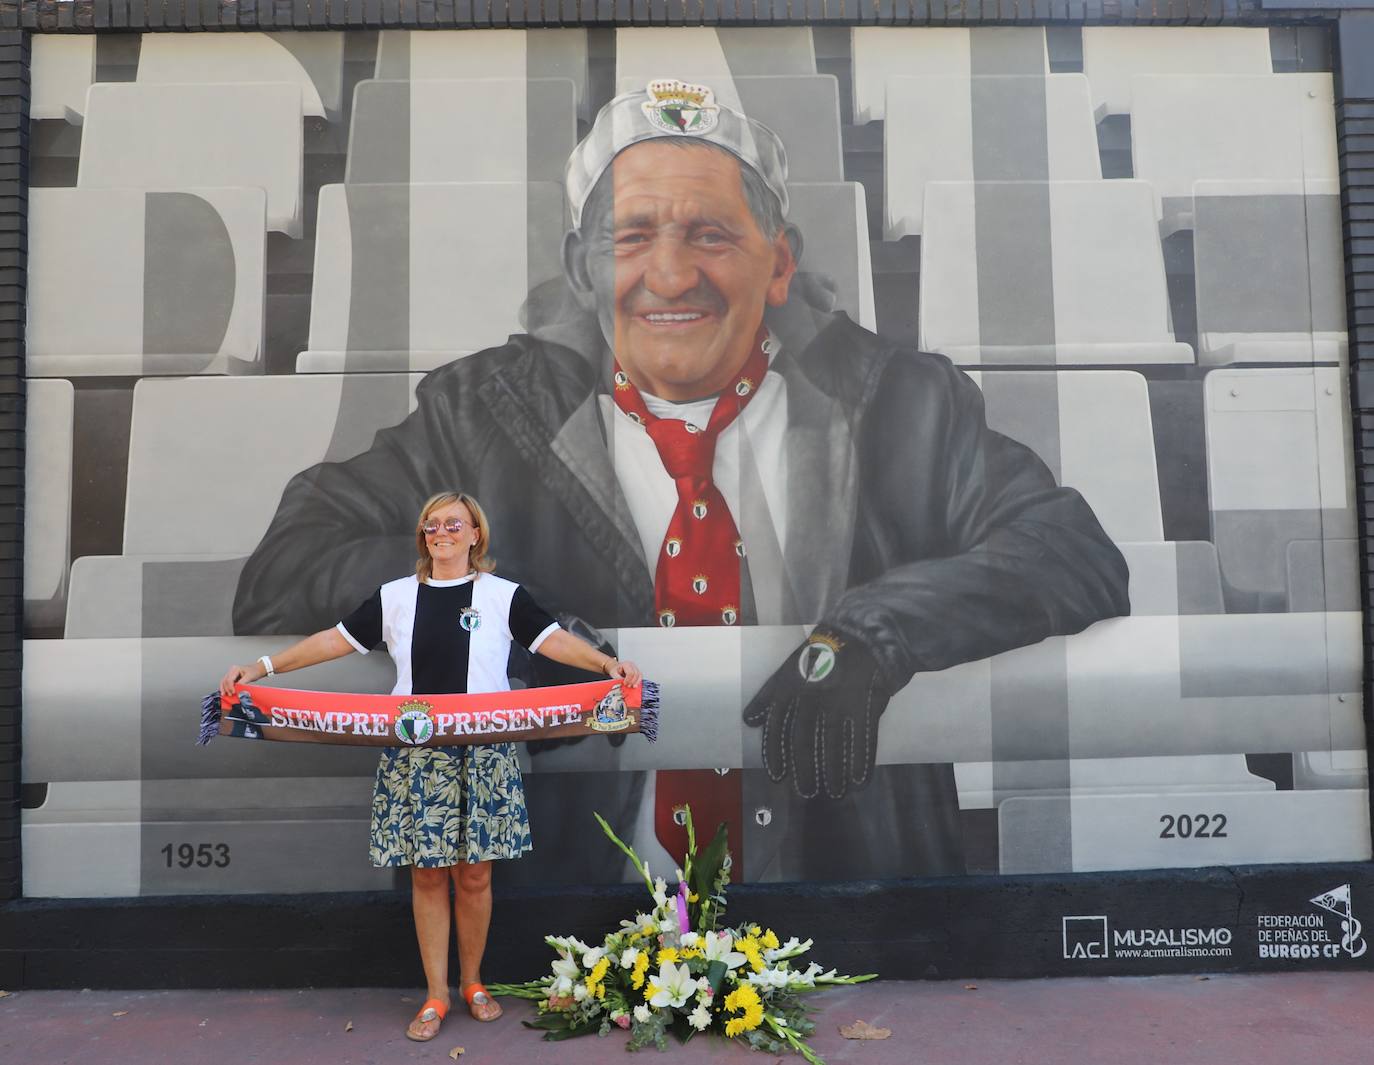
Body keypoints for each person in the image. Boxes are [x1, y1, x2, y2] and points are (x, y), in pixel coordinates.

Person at [233, 81, 1129, 881]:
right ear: (583, 268)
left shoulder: (903, 402)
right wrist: (495, 622)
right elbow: (286, 568)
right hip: (546, 911)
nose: (670, 274)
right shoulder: (478, 414)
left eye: (711, 235)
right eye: (632, 237)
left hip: (846, 901)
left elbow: (1068, 549)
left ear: (779, 262)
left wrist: (873, 633)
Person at [219, 491, 642, 1041]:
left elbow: (554, 642)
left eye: (453, 523)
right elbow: (333, 640)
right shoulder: (395, 597)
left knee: (475, 874)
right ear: (423, 536)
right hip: (417, 754)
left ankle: (473, 982)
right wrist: (262, 667)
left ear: (474, 535)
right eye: (431, 524)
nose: (441, 531)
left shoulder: (502, 596)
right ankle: (436, 994)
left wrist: (608, 664)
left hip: (484, 752)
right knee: (426, 873)